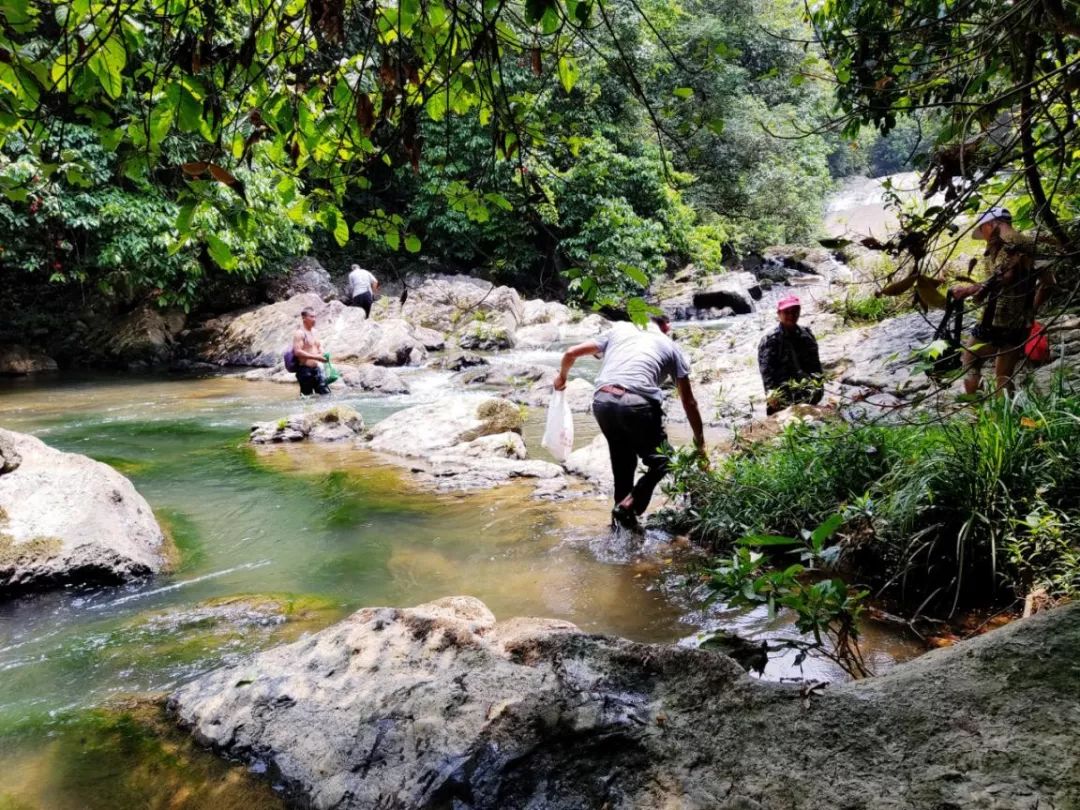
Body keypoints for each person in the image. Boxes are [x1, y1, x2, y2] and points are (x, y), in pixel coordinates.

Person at [554, 315, 706, 531]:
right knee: (665, 461)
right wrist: (701, 444)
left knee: (622, 464)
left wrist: (561, 378)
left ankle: (620, 531)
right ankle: (628, 507)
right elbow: (689, 401)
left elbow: (570, 353)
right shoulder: (671, 347)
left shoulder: (619, 329)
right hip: (637, 404)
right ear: (666, 327)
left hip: (602, 400)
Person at [950, 206, 1055, 395]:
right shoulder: (1030, 244)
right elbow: (1048, 283)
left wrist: (969, 290)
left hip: (995, 319)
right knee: (1004, 375)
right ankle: (1008, 419)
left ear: (991, 224)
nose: (985, 239)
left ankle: (975, 410)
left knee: (970, 362)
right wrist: (1031, 311)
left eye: (983, 231)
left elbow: (1003, 278)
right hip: (1021, 322)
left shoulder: (1003, 246)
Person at [757, 295, 824, 415]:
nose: (791, 315)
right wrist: (772, 395)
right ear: (779, 314)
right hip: (782, 398)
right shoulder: (770, 340)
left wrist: (819, 388)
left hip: (807, 393)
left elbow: (816, 365)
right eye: (786, 312)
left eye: (794, 311)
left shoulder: (807, 335)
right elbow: (766, 372)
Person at [292, 308, 330, 396]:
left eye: (315, 317)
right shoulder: (299, 333)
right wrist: (316, 357)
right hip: (304, 370)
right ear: (304, 318)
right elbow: (297, 352)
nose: (314, 319)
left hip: (317, 369)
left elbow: (318, 346)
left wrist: (323, 354)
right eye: (312, 317)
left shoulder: (315, 332)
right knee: (306, 397)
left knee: (325, 395)